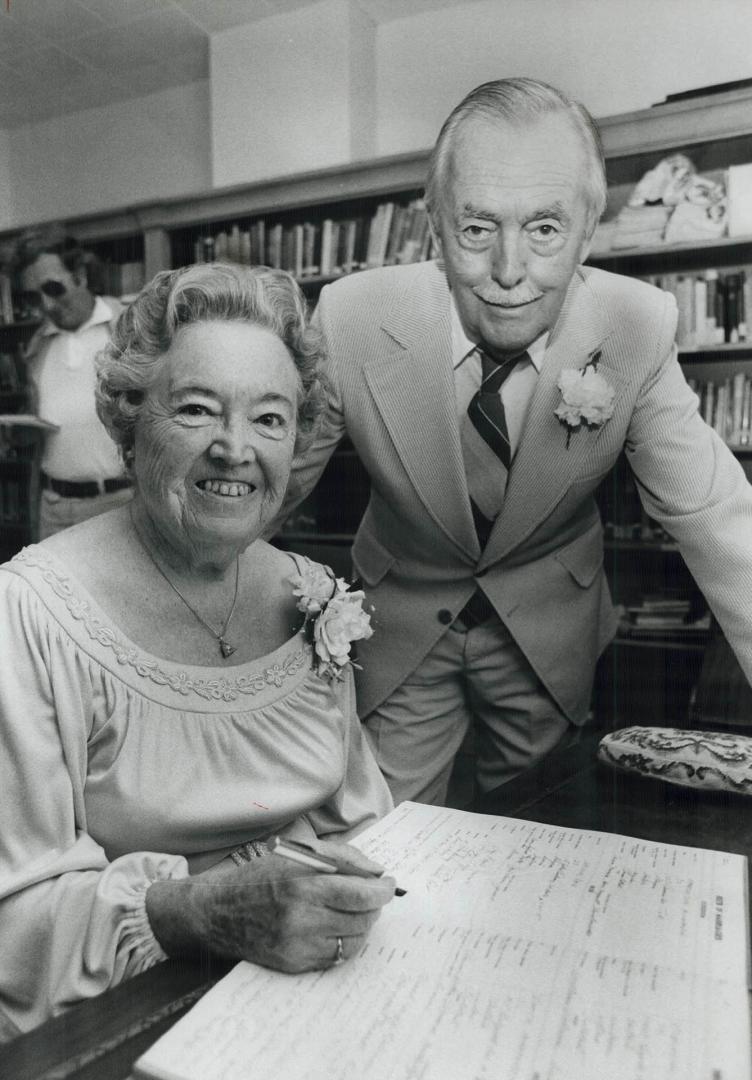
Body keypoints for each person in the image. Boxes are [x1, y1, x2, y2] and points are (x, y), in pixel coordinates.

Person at [280, 76, 752, 806]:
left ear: (588, 233)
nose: (507, 272)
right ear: (434, 224)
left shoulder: (637, 326)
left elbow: (722, 523)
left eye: (544, 229)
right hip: (400, 624)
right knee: (384, 842)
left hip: (547, 633)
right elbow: (270, 488)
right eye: (476, 229)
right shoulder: (351, 319)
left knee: (541, 823)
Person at [0, 262, 395, 1040]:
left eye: (270, 419)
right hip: (128, 1017)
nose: (234, 449)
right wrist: (199, 913)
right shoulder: (28, 612)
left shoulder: (313, 591)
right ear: (129, 419)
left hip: (321, 994)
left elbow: (363, 823)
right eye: (196, 409)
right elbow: (13, 919)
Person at [13, 227, 132, 539]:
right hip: (53, 507)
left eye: (54, 289)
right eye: (33, 296)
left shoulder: (130, 329)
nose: (46, 306)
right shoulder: (37, 347)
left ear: (80, 274)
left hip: (120, 505)